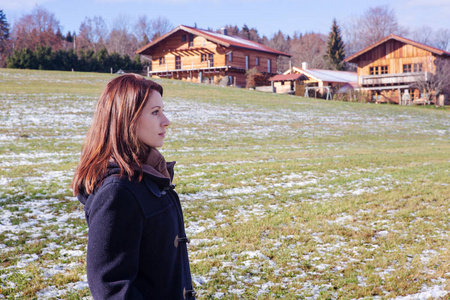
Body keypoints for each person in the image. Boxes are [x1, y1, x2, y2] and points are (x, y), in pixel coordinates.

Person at [72, 74, 196, 299]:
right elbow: (112, 287)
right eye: (155, 112)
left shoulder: (147, 176)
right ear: (127, 118)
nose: (166, 120)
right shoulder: (116, 192)